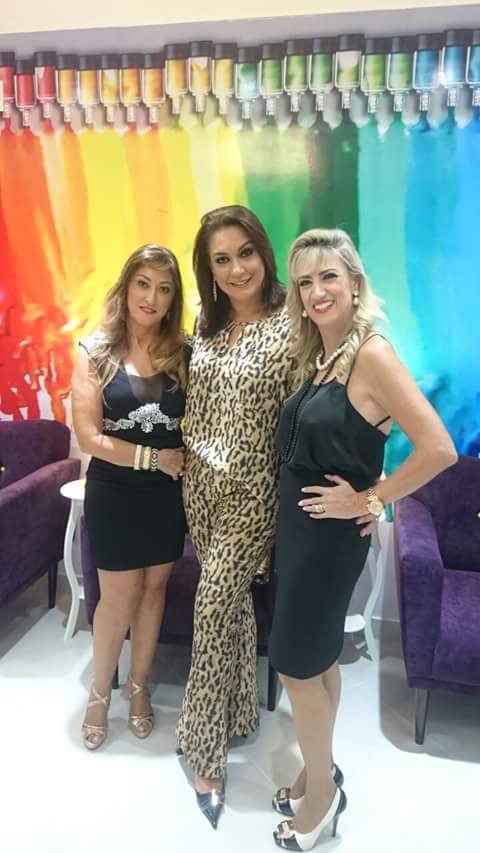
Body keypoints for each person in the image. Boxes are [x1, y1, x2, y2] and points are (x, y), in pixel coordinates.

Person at [269, 228, 458, 851]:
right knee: (318, 658)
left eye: (329, 276)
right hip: (302, 532)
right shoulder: (322, 354)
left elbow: (438, 448)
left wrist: (373, 498)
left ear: (355, 283)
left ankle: (320, 804)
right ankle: (317, 771)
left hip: (328, 540)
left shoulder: (372, 354)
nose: (316, 291)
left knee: (296, 664)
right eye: (305, 281)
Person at [174, 204, 294, 828]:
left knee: (213, 602)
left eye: (245, 253)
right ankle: (241, 711)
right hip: (199, 487)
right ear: (210, 269)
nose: (237, 269)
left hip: (254, 493)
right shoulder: (208, 323)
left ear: (263, 252)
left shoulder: (293, 323)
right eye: (222, 259)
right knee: (234, 605)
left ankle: (203, 749)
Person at [72, 244, 190, 750]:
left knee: (154, 592)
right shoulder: (94, 350)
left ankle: (139, 687)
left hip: (166, 497)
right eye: (143, 284)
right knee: (117, 598)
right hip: (115, 493)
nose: (152, 298)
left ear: (173, 298)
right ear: (125, 287)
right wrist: (152, 458)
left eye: (164, 289)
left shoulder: (183, 353)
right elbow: (88, 437)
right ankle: (100, 692)